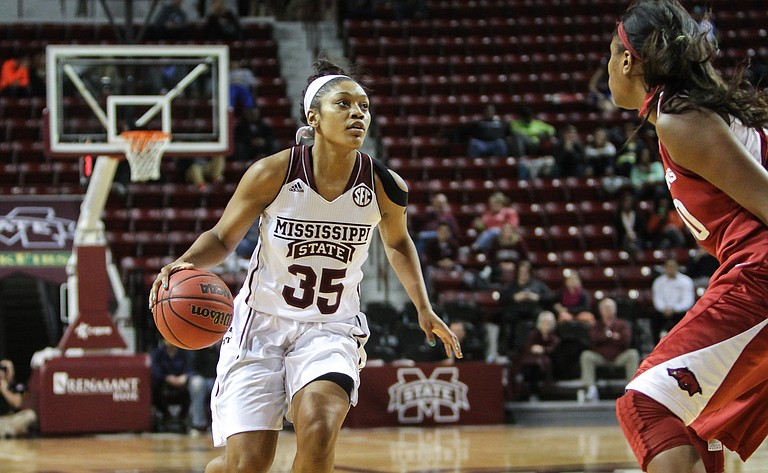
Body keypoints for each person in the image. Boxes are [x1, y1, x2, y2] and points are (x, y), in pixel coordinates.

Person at [149, 59, 462, 473]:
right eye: (344, 104)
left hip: (330, 328)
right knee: (247, 466)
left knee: (317, 429)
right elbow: (224, 237)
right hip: (259, 327)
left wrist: (423, 307)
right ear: (313, 117)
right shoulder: (273, 173)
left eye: (364, 107)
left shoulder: (385, 185)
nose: (357, 114)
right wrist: (183, 262)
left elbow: (399, 242)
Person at [610, 2, 768, 471]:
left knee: (647, 407)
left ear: (625, 60)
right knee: (697, 421)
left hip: (760, 276)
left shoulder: (684, 121)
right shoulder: (693, 114)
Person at [579, 298, 640, 402]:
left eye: (610, 308)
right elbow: (593, 340)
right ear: (600, 310)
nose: (608, 310)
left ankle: (632, 390)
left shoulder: (622, 324)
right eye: (605, 308)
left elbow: (626, 340)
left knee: (632, 354)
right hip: (601, 357)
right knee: (586, 355)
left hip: (619, 356)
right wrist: (612, 337)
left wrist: (605, 338)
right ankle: (590, 389)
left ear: (615, 309)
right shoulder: (596, 325)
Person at [150, 339, 192, 433]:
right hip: (163, 385)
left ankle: (182, 418)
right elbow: (155, 372)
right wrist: (168, 378)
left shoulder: (184, 353)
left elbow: (190, 369)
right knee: (154, 387)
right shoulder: (157, 353)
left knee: (193, 387)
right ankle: (166, 416)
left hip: (182, 384)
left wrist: (184, 377)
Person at [518, 310, 560, 401]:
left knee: (535, 367)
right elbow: (528, 348)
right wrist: (535, 349)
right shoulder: (533, 334)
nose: (546, 325)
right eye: (544, 322)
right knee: (531, 367)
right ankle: (531, 392)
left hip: (548, 364)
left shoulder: (554, 337)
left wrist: (543, 349)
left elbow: (553, 350)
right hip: (533, 361)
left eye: (548, 323)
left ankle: (534, 392)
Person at [651, 258, 695, 341]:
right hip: (663, 311)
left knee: (686, 317)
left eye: (673, 266)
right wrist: (664, 308)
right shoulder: (658, 282)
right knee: (655, 318)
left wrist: (675, 309)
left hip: (680, 312)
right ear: (664, 268)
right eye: (668, 266)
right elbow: (657, 299)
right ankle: (656, 344)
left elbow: (688, 300)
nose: (671, 269)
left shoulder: (686, 281)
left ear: (677, 267)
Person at [188, 342, 220, 435]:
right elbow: (193, 367)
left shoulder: (223, 346)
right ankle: (199, 425)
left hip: (217, 378)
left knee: (219, 386)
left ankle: (218, 424)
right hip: (201, 377)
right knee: (197, 384)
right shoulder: (199, 346)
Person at [0, 359, 37, 438]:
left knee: (30, 415)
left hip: (12, 419)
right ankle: (8, 432)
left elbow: (17, 403)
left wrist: (4, 390)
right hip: (1, 420)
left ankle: (7, 432)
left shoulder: (18, 386)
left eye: (6, 369)